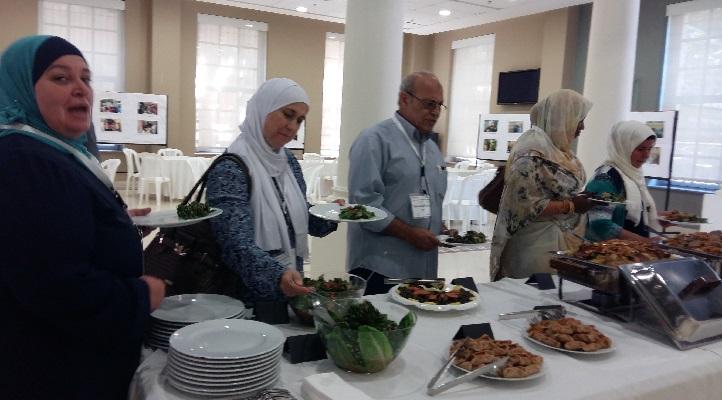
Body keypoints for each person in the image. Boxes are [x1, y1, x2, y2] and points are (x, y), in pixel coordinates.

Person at [0, 35, 165, 399]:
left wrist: (117, 221)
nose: (81, 90)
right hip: (57, 371)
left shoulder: (55, 151)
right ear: (21, 88)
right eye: (61, 78)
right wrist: (140, 295)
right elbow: (54, 285)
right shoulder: (25, 159)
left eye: (86, 78)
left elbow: (54, 229)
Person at [206, 78, 337, 305]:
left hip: (288, 285)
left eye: (300, 120)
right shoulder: (231, 167)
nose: (293, 127)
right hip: (246, 295)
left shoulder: (287, 161)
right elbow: (234, 242)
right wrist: (277, 275)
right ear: (263, 108)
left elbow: (296, 215)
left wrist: (331, 214)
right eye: (288, 114)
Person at [347, 71, 447, 294]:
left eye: (440, 105)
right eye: (430, 104)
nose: (435, 112)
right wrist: (410, 233)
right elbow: (364, 207)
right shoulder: (373, 140)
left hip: (424, 269)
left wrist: (437, 225)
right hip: (380, 269)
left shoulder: (431, 148)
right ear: (404, 99)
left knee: (419, 329)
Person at [490, 89, 595, 280]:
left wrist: (577, 200)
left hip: (557, 244)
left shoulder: (558, 150)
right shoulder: (531, 152)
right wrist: (571, 205)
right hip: (534, 248)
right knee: (532, 301)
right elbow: (525, 204)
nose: (583, 127)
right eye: (580, 119)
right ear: (564, 117)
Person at [585, 121, 663, 241]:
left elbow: (629, 210)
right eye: (641, 149)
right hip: (608, 254)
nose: (646, 155)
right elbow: (600, 224)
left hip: (630, 251)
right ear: (624, 147)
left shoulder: (631, 173)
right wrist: (643, 241)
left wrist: (657, 217)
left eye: (649, 149)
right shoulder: (605, 178)